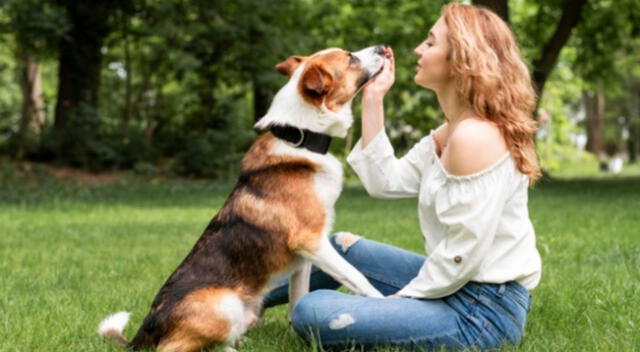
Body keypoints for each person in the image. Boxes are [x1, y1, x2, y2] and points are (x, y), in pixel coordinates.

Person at [263, 4, 542, 351]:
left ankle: (247, 301)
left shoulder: (475, 137)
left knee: (311, 311)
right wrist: (373, 98)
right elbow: (386, 182)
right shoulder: (450, 131)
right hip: (458, 287)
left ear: (461, 60)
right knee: (339, 247)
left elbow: (462, 253)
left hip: (480, 313)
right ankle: (239, 297)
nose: (417, 50)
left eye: (430, 42)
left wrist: (398, 301)